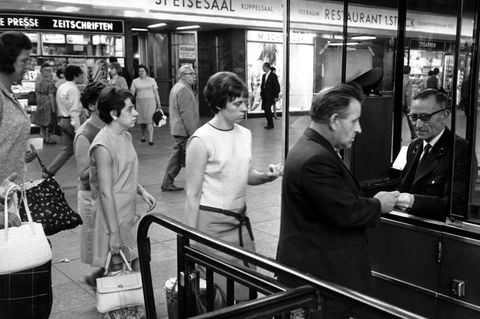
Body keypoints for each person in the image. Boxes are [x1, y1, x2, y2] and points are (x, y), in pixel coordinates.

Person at [276, 83, 399, 317]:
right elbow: (346, 211)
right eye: (354, 121)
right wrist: (379, 204)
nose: (359, 129)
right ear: (334, 120)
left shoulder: (313, 148)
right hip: (322, 279)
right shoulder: (315, 159)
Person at [185, 71, 282, 301]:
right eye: (237, 103)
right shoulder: (201, 140)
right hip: (211, 226)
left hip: (239, 223)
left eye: (245, 102)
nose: (244, 108)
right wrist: (189, 238)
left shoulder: (245, 134)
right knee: (219, 294)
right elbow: (192, 194)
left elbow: (245, 174)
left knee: (246, 289)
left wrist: (265, 176)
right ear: (219, 104)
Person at [0, 31, 52, 319]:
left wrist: (21, 151)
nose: (27, 66)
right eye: (24, 59)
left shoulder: (7, 93)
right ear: (7, 59)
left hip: (10, 198)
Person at [89, 87, 156, 273]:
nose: (135, 113)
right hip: (113, 219)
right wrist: (114, 233)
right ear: (114, 114)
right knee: (119, 278)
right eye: (129, 109)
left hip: (128, 215)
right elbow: (105, 191)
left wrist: (141, 191)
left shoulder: (125, 135)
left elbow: (123, 171)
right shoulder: (103, 145)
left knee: (136, 271)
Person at [396, 89, 474, 221]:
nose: (418, 125)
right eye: (414, 117)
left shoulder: (460, 150)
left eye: (425, 117)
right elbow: (404, 185)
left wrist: (411, 201)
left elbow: (455, 204)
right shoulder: (414, 147)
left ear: (444, 115)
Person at [74, 81, 106, 287]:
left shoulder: (110, 127)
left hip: (108, 194)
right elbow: (83, 174)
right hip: (91, 197)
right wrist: (106, 163)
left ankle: (101, 279)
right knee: (101, 246)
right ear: (93, 105)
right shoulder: (85, 134)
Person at [161, 65, 199, 192]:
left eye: (194, 73)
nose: (194, 76)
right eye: (191, 74)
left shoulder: (178, 87)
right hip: (184, 130)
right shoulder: (183, 89)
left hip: (179, 129)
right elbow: (186, 114)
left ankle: (167, 182)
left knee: (178, 157)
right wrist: (193, 134)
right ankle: (167, 182)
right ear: (183, 75)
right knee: (182, 157)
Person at [46, 64, 84, 176]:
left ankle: (50, 171)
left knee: (68, 150)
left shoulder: (61, 87)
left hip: (62, 120)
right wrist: (78, 130)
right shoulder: (73, 89)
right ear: (75, 76)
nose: (82, 77)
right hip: (71, 122)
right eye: (81, 75)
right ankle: (88, 174)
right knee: (85, 147)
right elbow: (74, 111)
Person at [130, 65, 161, 145]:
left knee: (150, 120)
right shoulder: (135, 81)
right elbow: (132, 93)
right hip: (140, 102)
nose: (141, 73)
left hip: (151, 102)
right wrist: (130, 103)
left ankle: (151, 139)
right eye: (139, 71)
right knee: (142, 121)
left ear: (146, 71)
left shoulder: (152, 80)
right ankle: (143, 135)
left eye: (142, 71)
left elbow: (156, 92)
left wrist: (159, 103)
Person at [33, 63, 57, 144]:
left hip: (40, 101)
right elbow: (50, 95)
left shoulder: (38, 80)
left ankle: (43, 136)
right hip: (48, 102)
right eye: (46, 70)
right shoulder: (50, 82)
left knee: (42, 119)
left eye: (49, 70)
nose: (48, 72)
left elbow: (37, 92)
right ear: (42, 71)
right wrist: (53, 108)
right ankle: (48, 137)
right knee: (49, 120)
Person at [260, 62, 280, 129]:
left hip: (270, 96)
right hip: (264, 96)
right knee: (266, 110)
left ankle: (271, 124)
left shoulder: (273, 76)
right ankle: (269, 124)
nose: (262, 68)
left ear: (266, 67)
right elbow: (263, 85)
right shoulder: (264, 76)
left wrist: (276, 96)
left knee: (268, 109)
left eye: (263, 67)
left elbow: (277, 86)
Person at [402, 65, 416, 140]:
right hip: (405, 103)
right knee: (410, 119)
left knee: (399, 120)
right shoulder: (408, 81)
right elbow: (408, 94)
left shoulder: (398, 79)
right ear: (409, 72)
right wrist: (409, 105)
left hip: (399, 103)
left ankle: (399, 136)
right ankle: (413, 134)